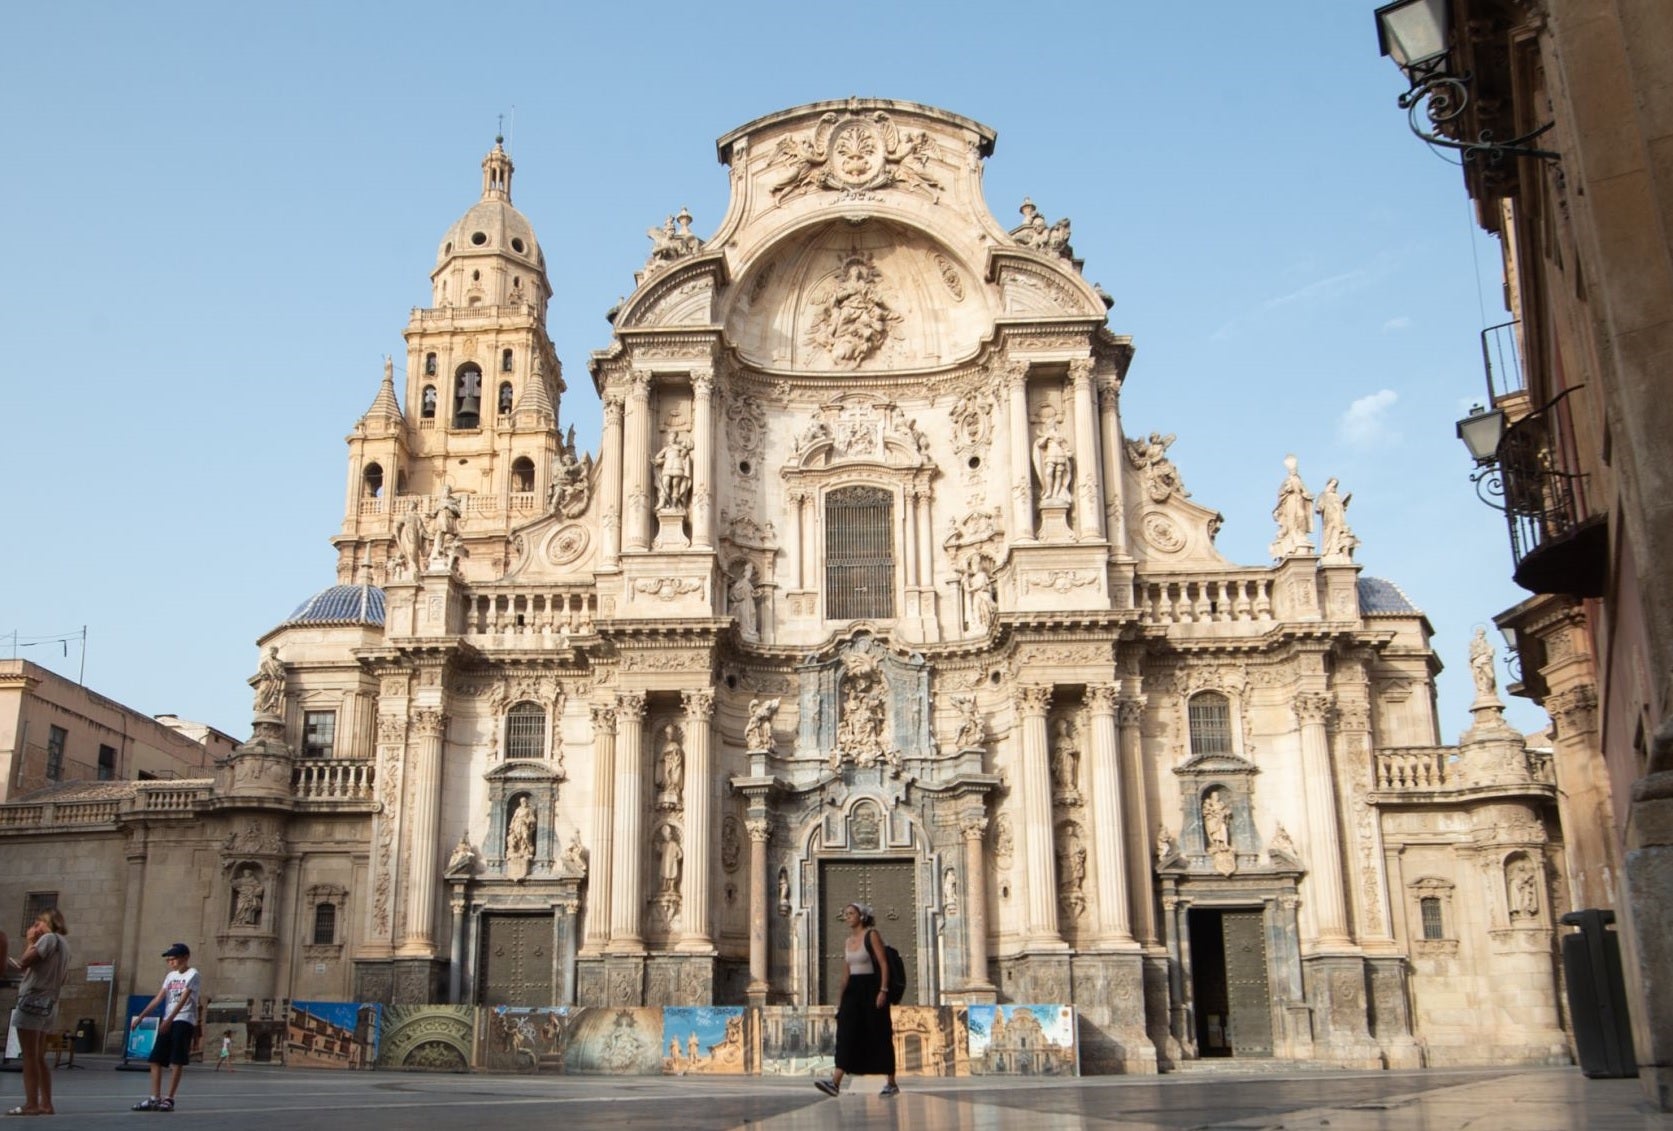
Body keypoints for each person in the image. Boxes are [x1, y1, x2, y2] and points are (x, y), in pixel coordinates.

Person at [814, 903, 898, 1098]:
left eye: (851, 913)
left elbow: (884, 963)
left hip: (872, 989)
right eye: (846, 914)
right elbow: (846, 974)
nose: (847, 916)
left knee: (880, 1033)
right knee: (846, 1033)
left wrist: (883, 990)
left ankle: (891, 1082)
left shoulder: (871, 935)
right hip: (853, 990)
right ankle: (835, 1082)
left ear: (862, 916)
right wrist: (841, 1000)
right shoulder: (848, 941)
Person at [10, 908, 71, 1117]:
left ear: (49, 923)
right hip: (50, 1003)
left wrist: (29, 941)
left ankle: (31, 1104)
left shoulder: (47, 939)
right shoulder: (64, 945)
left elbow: (25, 962)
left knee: (28, 1056)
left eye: (39, 923)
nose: (36, 927)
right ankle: (46, 1103)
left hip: (32, 1000)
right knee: (39, 1056)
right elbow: (62, 978)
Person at [130, 942, 202, 1112]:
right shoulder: (170, 976)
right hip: (168, 1018)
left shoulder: (193, 974)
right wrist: (141, 1017)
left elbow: (184, 999)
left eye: (174, 958)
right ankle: (154, 1097)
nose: (170, 962)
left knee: (176, 1059)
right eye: (168, 959)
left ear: (185, 957)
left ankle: (169, 1098)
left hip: (183, 1019)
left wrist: (169, 1020)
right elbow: (159, 998)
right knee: (155, 1058)